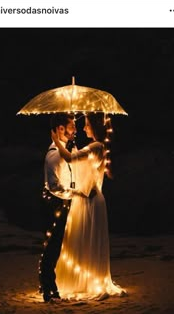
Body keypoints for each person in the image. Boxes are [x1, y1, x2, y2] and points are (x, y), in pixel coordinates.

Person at [51, 112, 126, 300]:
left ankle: (88, 281)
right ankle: (86, 279)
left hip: (90, 200)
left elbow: (70, 158)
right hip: (87, 198)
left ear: (95, 127)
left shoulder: (96, 146)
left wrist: (56, 141)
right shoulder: (95, 147)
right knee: (84, 239)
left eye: (87, 125)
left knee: (84, 239)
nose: (84, 128)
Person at [39, 113, 78, 303]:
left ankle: (50, 285)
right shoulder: (54, 156)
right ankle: (47, 286)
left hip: (62, 202)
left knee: (56, 246)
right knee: (52, 246)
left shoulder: (65, 151)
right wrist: (73, 192)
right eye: (72, 127)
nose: (75, 131)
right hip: (56, 203)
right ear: (61, 129)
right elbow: (55, 186)